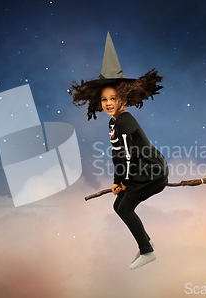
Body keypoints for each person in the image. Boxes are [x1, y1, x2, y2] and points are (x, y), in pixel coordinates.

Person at [69, 32, 168, 270]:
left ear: (124, 97)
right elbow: (118, 154)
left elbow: (127, 156)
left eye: (114, 98)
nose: (109, 103)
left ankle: (147, 251)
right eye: (104, 100)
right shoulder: (113, 122)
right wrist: (118, 180)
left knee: (124, 207)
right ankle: (146, 241)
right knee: (118, 206)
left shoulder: (123, 121)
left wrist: (123, 181)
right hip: (139, 171)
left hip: (151, 172)